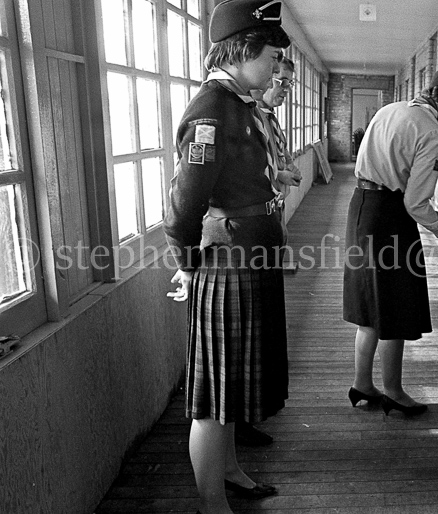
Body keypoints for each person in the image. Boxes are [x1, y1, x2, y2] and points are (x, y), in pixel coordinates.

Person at [164, 1, 291, 512]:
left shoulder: (240, 103)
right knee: (214, 397)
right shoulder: (212, 109)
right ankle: (212, 503)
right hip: (226, 266)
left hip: (250, 258)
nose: (277, 68)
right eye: (271, 56)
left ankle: (233, 471)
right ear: (242, 50)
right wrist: (190, 266)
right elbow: (183, 208)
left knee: (232, 388)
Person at [343, 65, 438, 416]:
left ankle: (362, 385)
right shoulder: (430, 130)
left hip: (360, 208)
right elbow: (416, 203)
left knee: (370, 308)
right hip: (389, 217)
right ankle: (393, 392)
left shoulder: (392, 109)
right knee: (395, 309)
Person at [235, 55, 302, 448]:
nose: (283, 89)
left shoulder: (268, 119)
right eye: (280, 80)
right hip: (243, 239)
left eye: (290, 84)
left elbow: (279, 161)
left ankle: (250, 412)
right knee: (248, 331)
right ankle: (238, 420)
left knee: (263, 328)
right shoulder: (243, 120)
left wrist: (284, 173)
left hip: (269, 227)